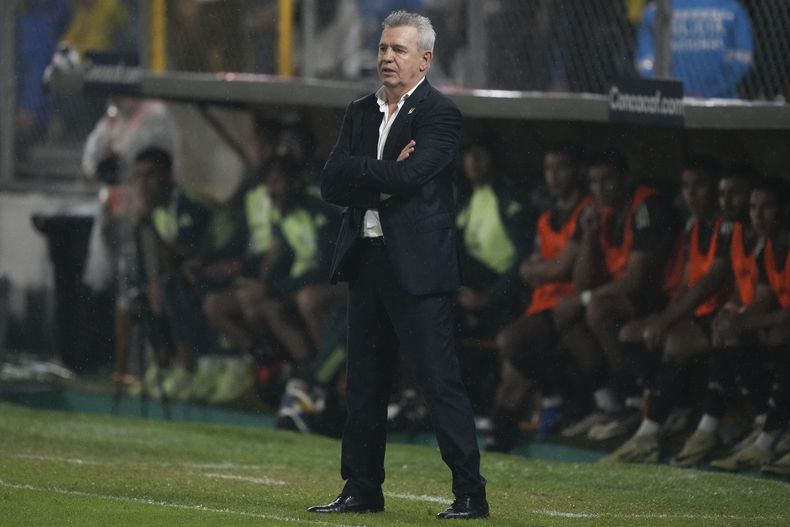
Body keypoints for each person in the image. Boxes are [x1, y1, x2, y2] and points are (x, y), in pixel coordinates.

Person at [308, 10, 488, 519]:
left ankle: (471, 494)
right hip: (367, 262)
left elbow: (413, 178)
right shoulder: (359, 111)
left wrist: (366, 174)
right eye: (383, 48)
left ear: (425, 60)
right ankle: (361, 488)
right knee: (363, 383)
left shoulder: (440, 113)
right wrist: (385, 173)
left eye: (399, 50)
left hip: (418, 270)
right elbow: (331, 182)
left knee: (438, 383)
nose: (387, 57)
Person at [486, 143, 591, 452]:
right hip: (542, 304)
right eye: (549, 169)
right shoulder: (547, 218)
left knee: (509, 341)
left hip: (568, 306)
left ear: (577, 172)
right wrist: (545, 269)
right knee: (511, 373)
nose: (554, 176)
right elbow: (527, 268)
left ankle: (555, 395)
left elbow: (562, 267)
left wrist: (543, 269)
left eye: (561, 168)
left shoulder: (587, 212)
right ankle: (499, 443)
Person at [636, 0, 754, 98]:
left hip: (673, 103)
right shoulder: (730, 7)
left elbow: (645, 61)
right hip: (721, 102)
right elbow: (741, 57)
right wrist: (711, 90)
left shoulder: (655, 10)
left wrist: (672, 91)